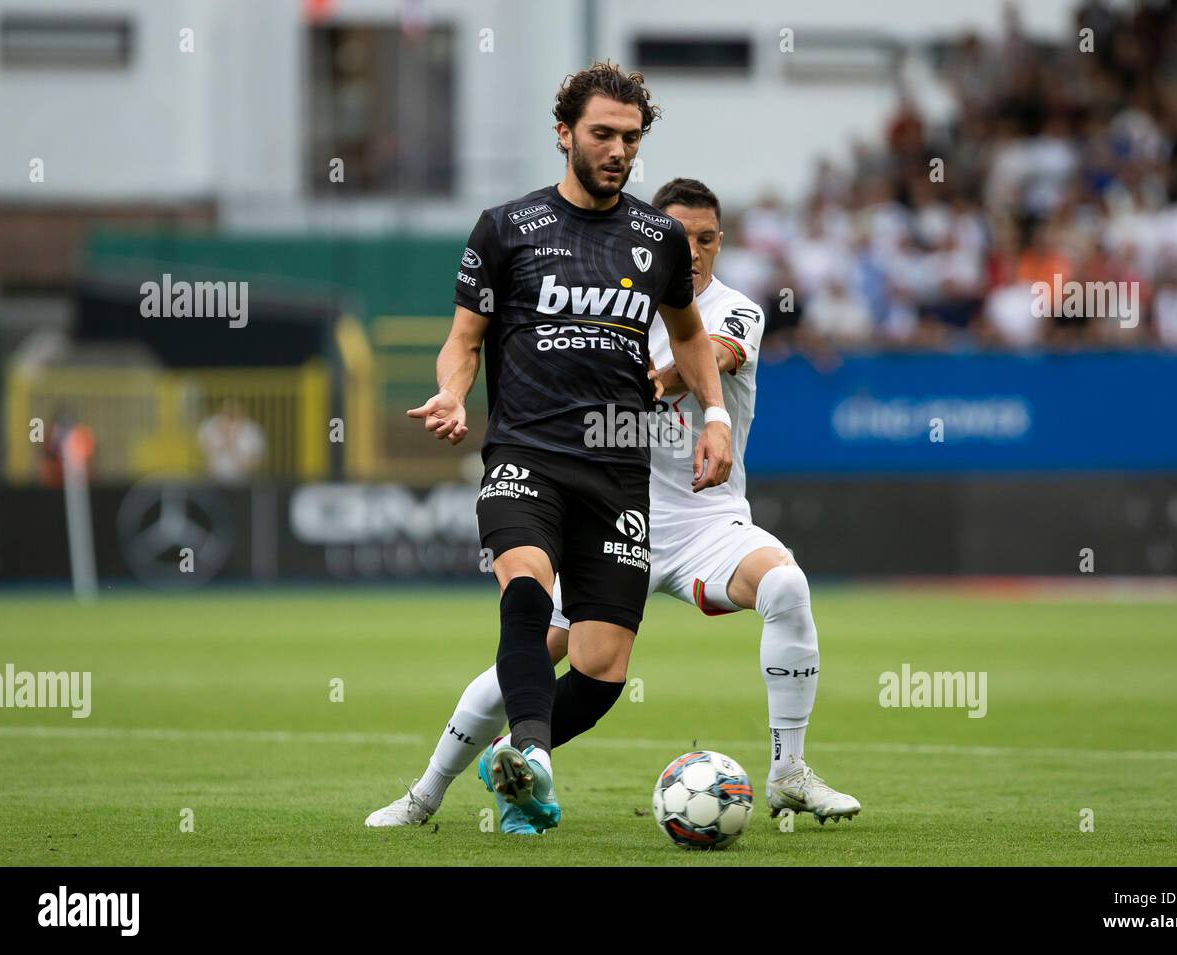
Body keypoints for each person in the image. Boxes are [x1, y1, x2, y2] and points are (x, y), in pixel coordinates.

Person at [368, 178, 859, 834]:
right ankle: (426, 794)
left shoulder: (736, 308)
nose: (694, 252)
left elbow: (711, 355)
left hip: (705, 521)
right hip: (611, 512)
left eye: (707, 239)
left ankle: (789, 772)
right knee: (540, 654)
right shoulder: (611, 309)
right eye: (680, 239)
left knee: (788, 585)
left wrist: (647, 383)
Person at [370, 63, 732, 834]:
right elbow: (464, 341)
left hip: (618, 469)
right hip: (525, 453)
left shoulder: (658, 238)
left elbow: (690, 335)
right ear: (564, 133)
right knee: (526, 586)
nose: (618, 150)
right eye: (602, 134)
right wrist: (451, 391)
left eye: (630, 138)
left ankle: (514, 763)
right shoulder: (505, 228)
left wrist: (715, 417)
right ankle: (531, 758)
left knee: (602, 670)